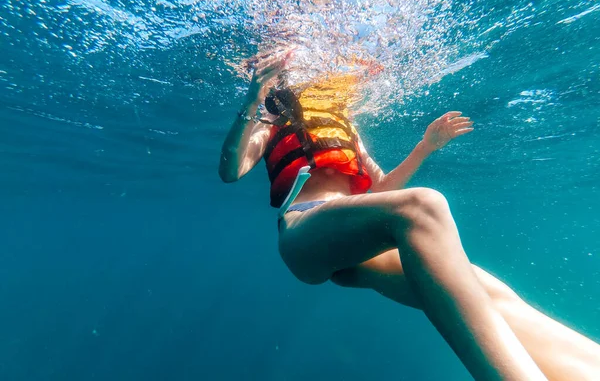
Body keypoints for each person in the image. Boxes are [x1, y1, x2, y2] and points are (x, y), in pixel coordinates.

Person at [219, 52, 600, 380]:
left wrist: (424, 148)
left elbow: (382, 192)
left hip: (352, 231)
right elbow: (230, 170)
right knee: (423, 206)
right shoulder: (269, 123)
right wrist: (254, 98)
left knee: (486, 291)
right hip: (305, 229)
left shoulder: (344, 126)